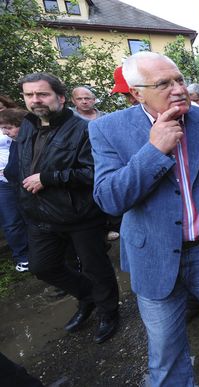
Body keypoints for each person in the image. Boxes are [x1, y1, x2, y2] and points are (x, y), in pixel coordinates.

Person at [88, 52, 199, 385]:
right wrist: (153, 151)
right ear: (137, 92)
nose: (178, 89)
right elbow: (110, 200)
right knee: (166, 352)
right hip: (152, 258)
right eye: (163, 84)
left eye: (179, 79)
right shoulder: (108, 130)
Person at [14, 72, 119, 343]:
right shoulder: (27, 124)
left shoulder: (84, 129)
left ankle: (109, 311)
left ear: (60, 97)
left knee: (96, 267)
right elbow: (24, 164)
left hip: (79, 214)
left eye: (42, 94)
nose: (35, 100)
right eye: (29, 95)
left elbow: (93, 173)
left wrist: (48, 178)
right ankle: (88, 296)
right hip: (39, 214)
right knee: (42, 266)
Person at [0, 108, 30, 272]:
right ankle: (24, 256)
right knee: (12, 220)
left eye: (8, 128)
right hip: (7, 182)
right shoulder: (13, 138)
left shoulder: (24, 138)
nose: (5, 133)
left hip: (25, 180)